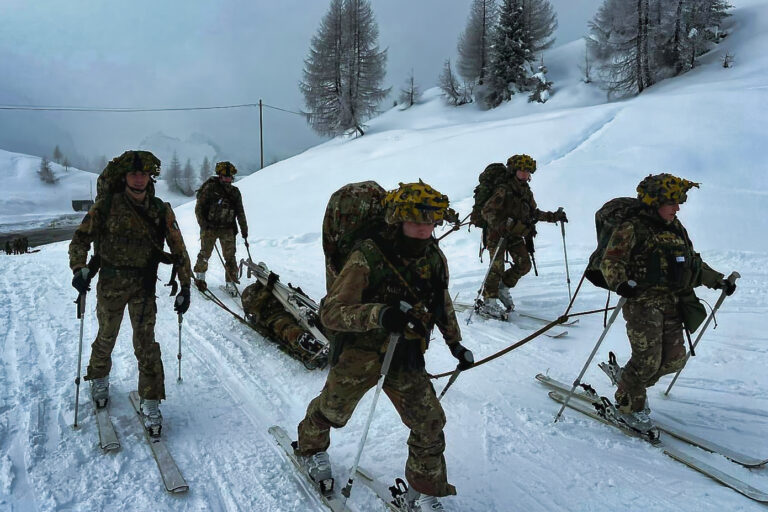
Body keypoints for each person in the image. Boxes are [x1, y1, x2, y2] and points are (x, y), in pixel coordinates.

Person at [295, 181, 474, 511]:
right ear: (398, 219)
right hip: (359, 352)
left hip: (405, 353)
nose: (424, 230)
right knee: (332, 412)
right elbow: (331, 312)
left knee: (429, 421)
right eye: (416, 222)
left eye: (430, 222)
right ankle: (310, 449)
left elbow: (440, 299)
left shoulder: (433, 257)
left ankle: (423, 489)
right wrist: (380, 314)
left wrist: (455, 343)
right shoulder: (368, 256)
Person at [68, 150, 192, 437]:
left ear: (150, 177)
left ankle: (150, 400)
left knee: (146, 343)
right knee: (106, 336)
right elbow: (80, 239)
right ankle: (98, 377)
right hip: (111, 284)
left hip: (144, 285)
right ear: (124, 176)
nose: (138, 178)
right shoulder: (106, 205)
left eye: (144, 174)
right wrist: (79, 269)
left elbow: (179, 250)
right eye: (134, 174)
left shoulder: (161, 209)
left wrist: (185, 286)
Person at [599, 173, 735, 431]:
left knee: (674, 359)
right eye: (672, 203)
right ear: (656, 202)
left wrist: (718, 281)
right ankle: (628, 405)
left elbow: (691, 262)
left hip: (672, 302)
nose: (678, 208)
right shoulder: (632, 227)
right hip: (642, 303)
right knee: (647, 360)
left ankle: (628, 382)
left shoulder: (676, 228)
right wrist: (620, 283)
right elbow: (612, 260)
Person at [478, 154, 567, 318]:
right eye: (522, 170)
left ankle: (502, 289)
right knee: (496, 267)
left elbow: (533, 213)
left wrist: (554, 216)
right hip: (497, 234)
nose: (525, 174)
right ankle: (489, 301)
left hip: (514, 234)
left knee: (524, 264)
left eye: (528, 171)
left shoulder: (525, 191)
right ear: (514, 170)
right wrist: (500, 226)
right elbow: (487, 211)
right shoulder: (503, 189)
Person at [241, 281, 327, 369]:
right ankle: (310, 346)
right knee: (289, 329)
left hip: (290, 310)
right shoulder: (249, 292)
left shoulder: (274, 285)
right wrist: (267, 290)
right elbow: (253, 311)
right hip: (273, 317)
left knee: (313, 317)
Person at [193, 161, 248, 296]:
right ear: (220, 175)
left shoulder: (235, 192)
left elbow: (240, 212)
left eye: (230, 176)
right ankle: (200, 278)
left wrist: (244, 230)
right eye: (225, 176)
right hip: (210, 228)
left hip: (228, 229)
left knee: (230, 257)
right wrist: (203, 224)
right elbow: (199, 208)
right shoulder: (210, 188)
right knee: (205, 253)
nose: (228, 179)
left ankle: (231, 283)